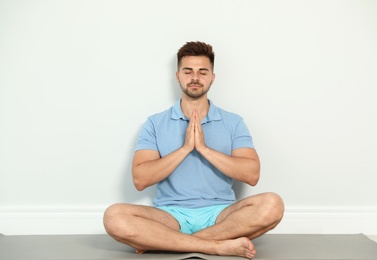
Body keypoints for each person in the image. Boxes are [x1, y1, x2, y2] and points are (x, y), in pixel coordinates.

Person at [103, 41, 284, 259]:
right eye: (188, 71)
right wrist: (186, 148)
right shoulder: (155, 123)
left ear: (212, 77)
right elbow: (140, 180)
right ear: (178, 76)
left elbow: (252, 175)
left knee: (273, 204)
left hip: (221, 214)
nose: (195, 78)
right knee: (113, 216)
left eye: (202, 72)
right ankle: (216, 245)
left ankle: (167, 243)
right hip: (170, 215)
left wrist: (204, 149)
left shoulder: (233, 122)